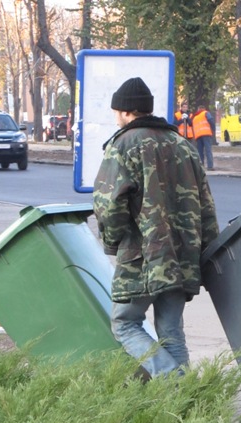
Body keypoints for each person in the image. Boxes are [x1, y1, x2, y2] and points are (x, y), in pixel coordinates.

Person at [93, 78, 219, 378]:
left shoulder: (122, 145)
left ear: (125, 112)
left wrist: (112, 242)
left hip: (141, 256)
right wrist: (207, 251)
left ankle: (174, 382)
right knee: (171, 331)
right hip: (182, 255)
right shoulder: (183, 146)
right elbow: (206, 206)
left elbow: (109, 205)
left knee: (125, 324)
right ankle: (185, 400)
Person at [192, 105, 216, 170]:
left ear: (198, 109)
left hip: (198, 136)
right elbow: (211, 120)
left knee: (200, 151)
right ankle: (210, 166)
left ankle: (201, 166)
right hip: (206, 134)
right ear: (203, 109)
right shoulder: (205, 113)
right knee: (208, 150)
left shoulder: (195, 117)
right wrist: (213, 129)